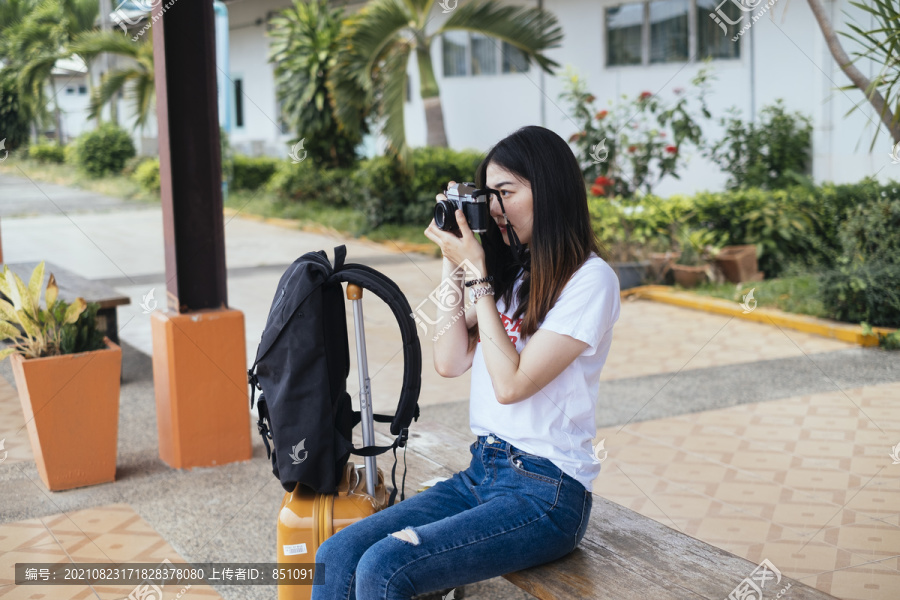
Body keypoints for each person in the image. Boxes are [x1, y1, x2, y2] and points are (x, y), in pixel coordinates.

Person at [311, 125, 621, 600]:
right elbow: (450, 359)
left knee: (385, 569)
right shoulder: (515, 275)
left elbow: (511, 385)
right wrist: (452, 261)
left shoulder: (589, 282)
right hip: (483, 472)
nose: (494, 208)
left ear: (551, 191)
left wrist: (479, 274)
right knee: (335, 556)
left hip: (547, 492)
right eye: (488, 194)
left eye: (507, 192)